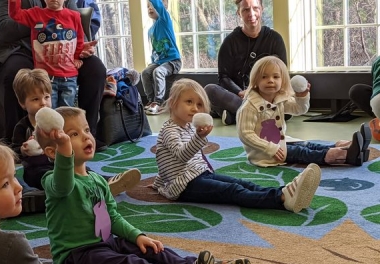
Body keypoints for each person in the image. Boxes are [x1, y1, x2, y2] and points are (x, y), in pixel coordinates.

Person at [36, 106, 252, 264]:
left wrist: (138, 236)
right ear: (52, 152)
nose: (85, 137)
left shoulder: (96, 181)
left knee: (150, 250)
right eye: (74, 134)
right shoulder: (52, 182)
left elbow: (112, 216)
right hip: (77, 259)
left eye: (86, 130)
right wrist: (65, 148)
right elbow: (64, 184)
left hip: (106, 242)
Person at [153, 78, 321, 214]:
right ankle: (281, 199)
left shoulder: (188, 126)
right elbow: (182, 155)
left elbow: (165, 161)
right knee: (232, 191)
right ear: (173, 103)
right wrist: (198, 137)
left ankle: (285, 191)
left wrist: (160, 182)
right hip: (185, 186)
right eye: (188, 102)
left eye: (199, 105)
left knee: (242, 183)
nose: (195, 109)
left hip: (199, 174)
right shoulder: (169, 131)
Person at [0, 0, 107, 151]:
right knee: (14, 72)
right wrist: (43, 19)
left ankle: (86, 134)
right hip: (22, 50)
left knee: (96, 69)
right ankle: (19, 140)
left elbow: (73, 25)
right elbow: (4, 29)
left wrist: (81, 47)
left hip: (62, 51)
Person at [12, 68, 141, 195]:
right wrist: (23, 150)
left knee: (83, 169)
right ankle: (50, 193)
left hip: (63, 162)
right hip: (38, 168)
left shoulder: (58, 121)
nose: (43, 103)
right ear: (22, 103)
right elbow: (15, 152)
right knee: (42, 176)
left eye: (46, 97)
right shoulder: (23, 126)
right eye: (35, 99)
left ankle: (107, 181)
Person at [237, 56, 371, 167]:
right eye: (264, 77)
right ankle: (345, 156)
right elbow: (245, 134)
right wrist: (270, 148)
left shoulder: (278, 99)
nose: (270, 80)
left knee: (308, 145)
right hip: (264, 153)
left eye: (276, 77)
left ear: (283, 80)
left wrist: (302, 97)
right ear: (255, 81)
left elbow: (299, 109)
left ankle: (348, 149)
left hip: (281, 143)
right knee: (302, 152)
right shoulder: (250, 106)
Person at [204, 0, 287, 125]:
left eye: (255, 8)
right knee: (209, 90)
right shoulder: (230, 42)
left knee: (289, 103)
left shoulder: (275, 39)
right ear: (239, 13)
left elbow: (283, 74)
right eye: (246, 10)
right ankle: (259, 115)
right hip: (241, 97)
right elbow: (223, 78)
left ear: (262, 9)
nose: (251, 14)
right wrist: (241, 92)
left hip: (268, 96)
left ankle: (235, 115)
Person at [8, 0, 84, 108]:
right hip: (46, 76)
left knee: (67, 112)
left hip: (69, 76)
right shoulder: (36, 14)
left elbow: (80, 40)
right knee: (48, 112)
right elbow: (15, 14)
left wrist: (77, 57)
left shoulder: (74, 16)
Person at [141, 0, 182, 115]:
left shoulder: (164, 20)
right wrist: (153, 62)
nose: (150, 8)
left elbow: (158, 5)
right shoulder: (150, 30)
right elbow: (154, 50)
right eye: (148, 6)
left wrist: (156, 3)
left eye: (152, 6)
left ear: (163, 6)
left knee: (158, 72)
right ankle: (150, 100)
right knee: (145, 73)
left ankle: (159, 102)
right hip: (159, 62)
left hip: (173, 61)